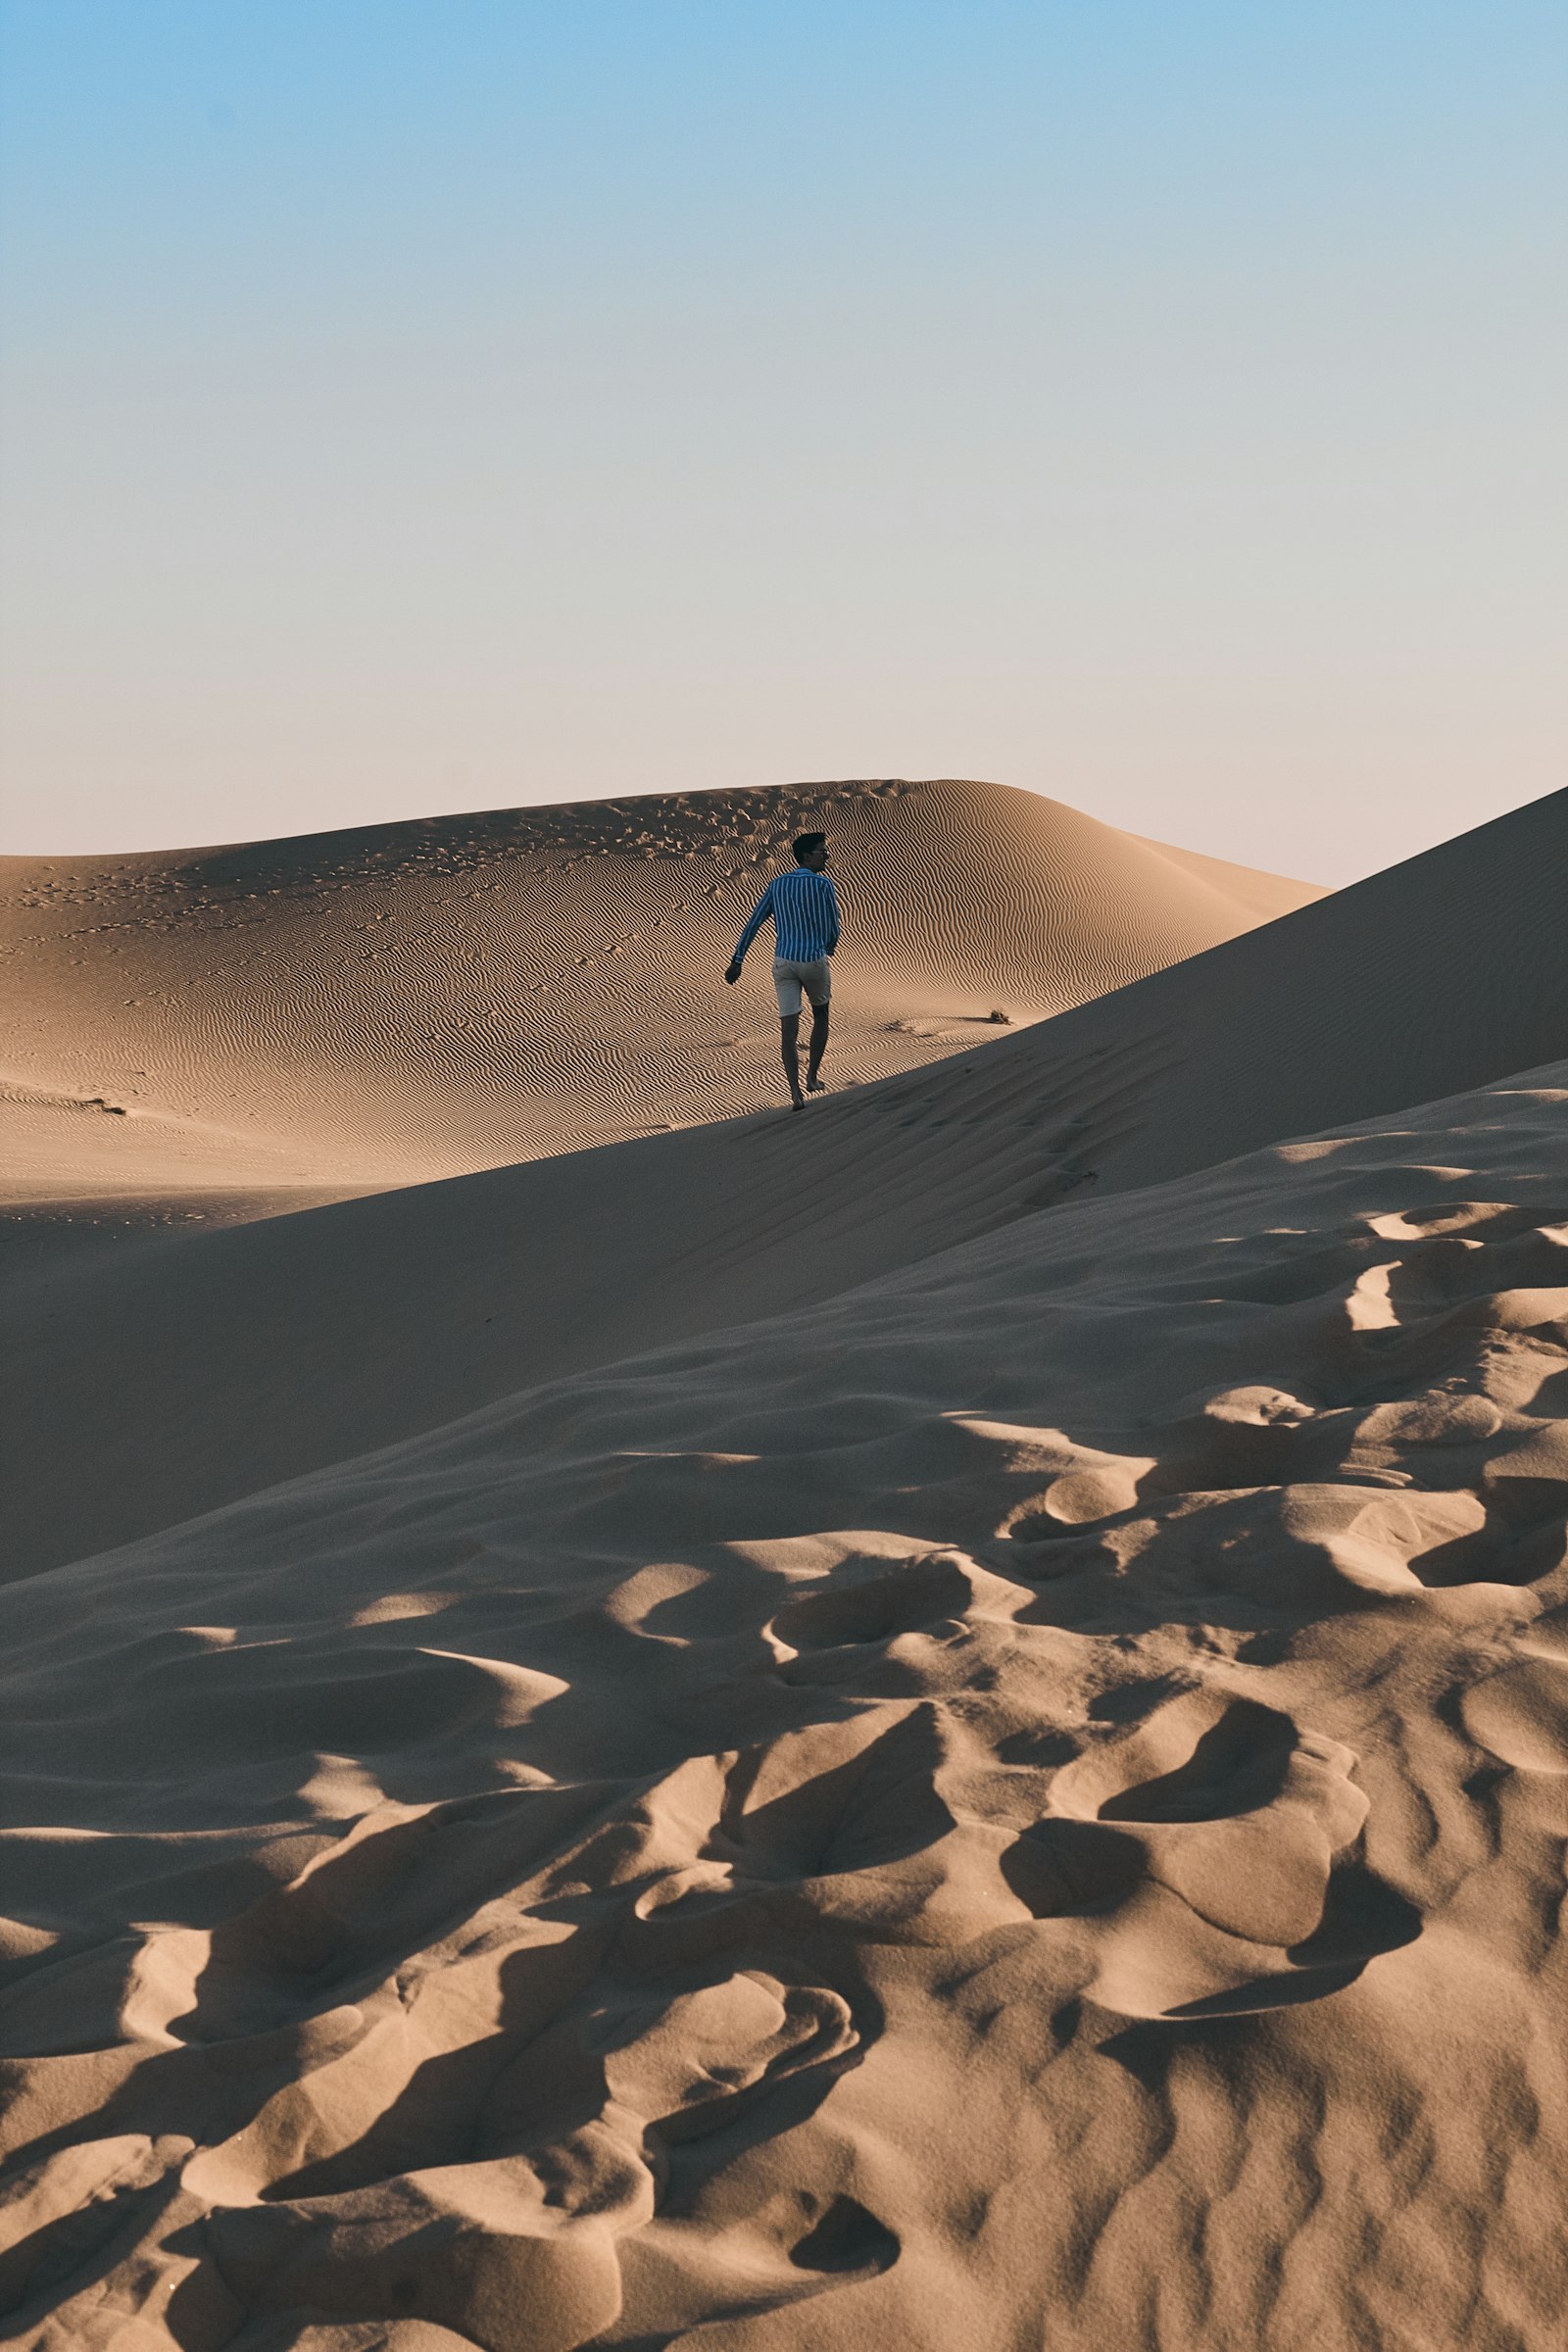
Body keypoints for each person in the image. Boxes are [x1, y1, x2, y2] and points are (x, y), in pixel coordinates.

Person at [725, 832, 839, 1109]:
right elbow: (832, 925)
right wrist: (828, 948)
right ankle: (812, 1076)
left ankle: (795, 1094)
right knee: (821, 1014)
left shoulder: (777, 884)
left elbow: (753, 922)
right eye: (821, 851)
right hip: (813, 959)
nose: (826, 855)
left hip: (784, 963)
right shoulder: (824, 884)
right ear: (806, 856)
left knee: (788, 1029)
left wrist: (737, 960)